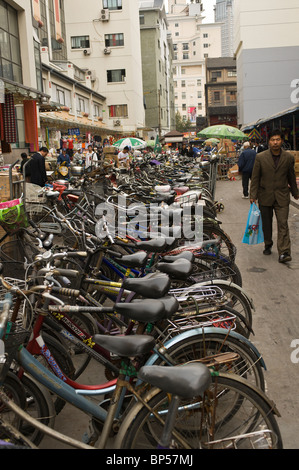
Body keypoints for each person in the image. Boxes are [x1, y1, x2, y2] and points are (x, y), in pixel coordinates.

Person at [250, 129, 299, 263]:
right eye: (273, 140)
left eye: (278, 140)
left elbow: (291, 176)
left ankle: (284, 252)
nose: (275, 142)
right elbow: (255, 178)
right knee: (267, 223)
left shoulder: (288, 158)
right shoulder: (260, 157)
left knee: (283, 223)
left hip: (282, 196)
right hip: (265, 195)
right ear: (269, 142)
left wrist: (295, 192)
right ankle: (268, 243)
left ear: (282, 141)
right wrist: (252, 195)